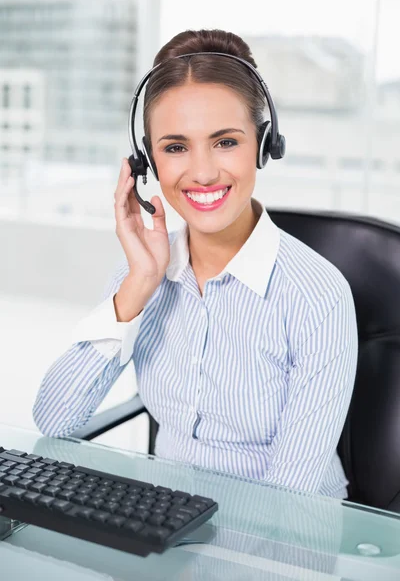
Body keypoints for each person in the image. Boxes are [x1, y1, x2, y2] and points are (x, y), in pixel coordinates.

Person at [33, 29, 358, 498]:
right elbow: (55, 420)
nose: (203, 172)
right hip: (171, 525)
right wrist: (138, 286)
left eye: (225, 142)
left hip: (284, 541)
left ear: (264, 145)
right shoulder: (142, 272)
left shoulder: (317, 295)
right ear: (148, 162)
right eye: (176, 147)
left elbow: (291, 495)